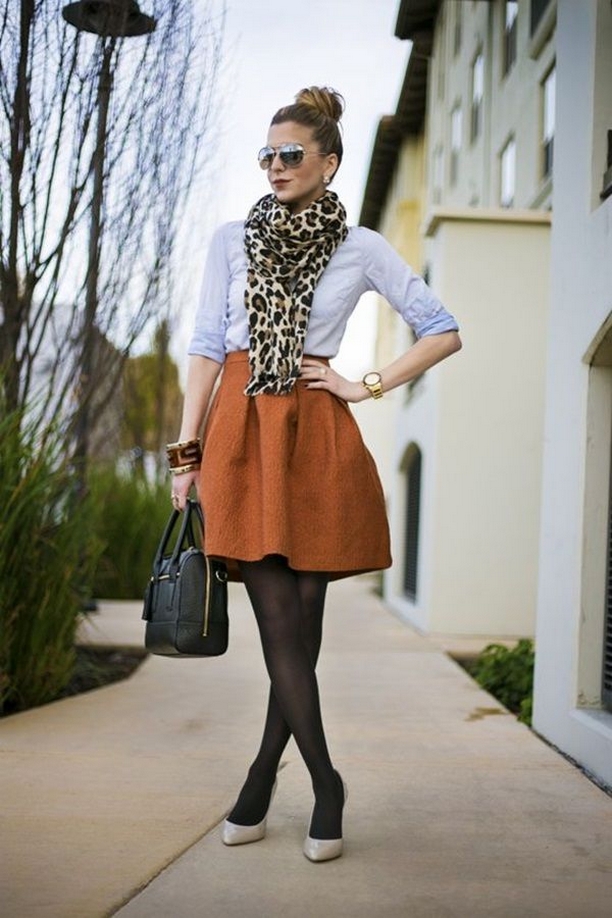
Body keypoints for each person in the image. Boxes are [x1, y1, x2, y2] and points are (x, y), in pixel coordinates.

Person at [169, 86, 461, 863]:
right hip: (241, 434)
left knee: (300, 625)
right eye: (266, 154)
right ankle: (326, 783)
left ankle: (262, 779)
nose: (276, 165)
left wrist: (364, 384)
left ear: (328, 163)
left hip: (316, 435)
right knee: (279, 627)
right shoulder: (231, 240)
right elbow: (205, 346)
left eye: (291, 153)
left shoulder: (360, 247)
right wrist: (186, 452)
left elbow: (442, 330)